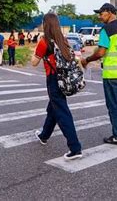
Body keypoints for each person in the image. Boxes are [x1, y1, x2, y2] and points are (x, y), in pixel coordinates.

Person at [82, 3, 117, 145]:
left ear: (110, 12)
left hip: (112, 72)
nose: (99, 17)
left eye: (101, 13)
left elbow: (101, 52)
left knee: (112, 104)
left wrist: (87, 60)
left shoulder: (106, 29)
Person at [32, 12, 82, 160]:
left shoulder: (44, 42)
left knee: (62, 112)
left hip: (53, 79)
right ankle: (44, 135)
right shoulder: (63, 39)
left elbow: (34, 63)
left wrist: (36, 48)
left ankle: (75, 148)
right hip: (64, 78)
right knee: (53, 108)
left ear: (46, 25)